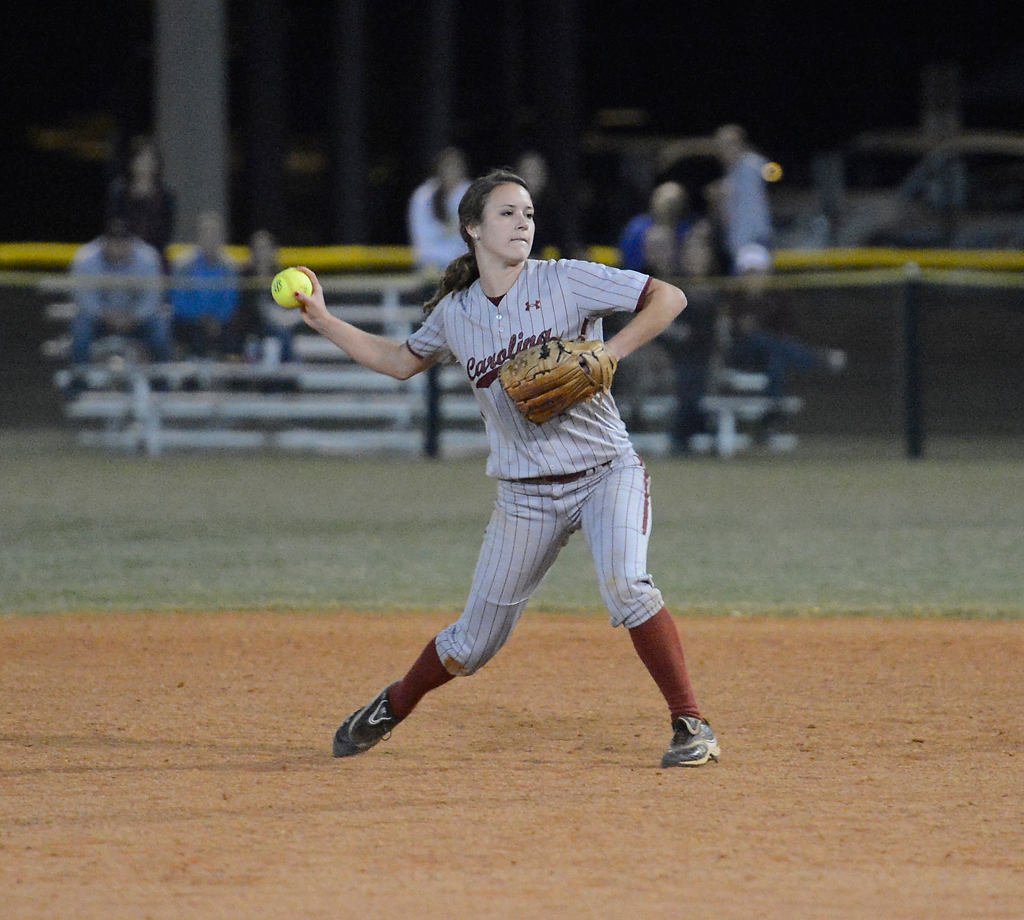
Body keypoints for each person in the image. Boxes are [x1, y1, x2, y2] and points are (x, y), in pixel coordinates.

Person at [295, 168, 719, 769]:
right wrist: (323, 320)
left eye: (528, 213)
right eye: (507, 213)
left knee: (628, 586)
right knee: (470, 645)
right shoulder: (456, 313)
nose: (523, 222)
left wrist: (609, 352)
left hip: (605, 471)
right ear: (472, 228)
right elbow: (399, 361)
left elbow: (668, 297)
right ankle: (392, 704)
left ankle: (692, 723)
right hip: (525, 495)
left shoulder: (566, 279)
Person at [656, 219, 724, 453]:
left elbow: (712, 333)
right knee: (688, 379)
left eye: (701, 253)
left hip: (702, 356)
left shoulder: (715, 290)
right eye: (691, 253)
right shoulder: (674, 285)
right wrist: (675, 334)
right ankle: (688, 432)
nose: (696, 258)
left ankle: (689, 432)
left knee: (696, 379)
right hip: (674, 354)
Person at [68, 217, 171, 368]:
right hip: (99, 318)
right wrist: (106, 316)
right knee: (81, 330)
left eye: (123, 242)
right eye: (113, 241)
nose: (118, 246)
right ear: (104, 241)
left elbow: (152, 297)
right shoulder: (86, 259)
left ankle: (160, 379)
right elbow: (84, 297)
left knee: (160, 331)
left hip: (137, 319)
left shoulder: (147, 258)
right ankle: (80, 378)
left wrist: (134, 317)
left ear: (131, 242)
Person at [167, 211, 241, 359]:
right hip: (189, 322)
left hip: (220, 323)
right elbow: (178, 300)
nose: (210, 239)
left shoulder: (230, 267)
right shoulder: (183, 265)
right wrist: (200, 318)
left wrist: (217, 319)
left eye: (215, 235)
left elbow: (230, 299)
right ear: (198, 237)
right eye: (206, 235)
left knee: (236, 334)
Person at [713, 124, 775, 277]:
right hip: (736, 248)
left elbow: (773, 173)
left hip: (755, 243)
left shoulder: (752, 164)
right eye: (721, 145)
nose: (726, 149)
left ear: (742, 144)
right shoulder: (729, 177)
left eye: (731, 143)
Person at [107, 135, 175, 272]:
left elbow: (166, 234)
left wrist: (146, 255)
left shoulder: (167, 197)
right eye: (140, 158)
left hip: (155, 259)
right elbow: (114, 225)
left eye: (149, 160)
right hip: (122, 256)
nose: (144, 164)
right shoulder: (119, 193)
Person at [235, 229, 300, 364]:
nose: (262, 254)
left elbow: (290, 306)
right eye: (258, 249)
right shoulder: (245, 277)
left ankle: (287, 370)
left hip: (278, 324)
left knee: (283, 334)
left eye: (265, 249)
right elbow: (243, 307)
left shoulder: (282, 276)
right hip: (252, 327)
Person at [407, 146, 472, 274]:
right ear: (439, 169)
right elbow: (421, 236)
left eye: (456, 167)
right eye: (447, 167)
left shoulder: (471, 193)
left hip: (464, 265)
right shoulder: (423, 196)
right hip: (430, 264)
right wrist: (447, 229)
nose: (451, 171)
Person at [618, 180, 695, 276]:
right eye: (667, 202)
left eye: (675, 203)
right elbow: (630, 261)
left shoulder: (689, 229)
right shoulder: (638, 228)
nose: (670, 208)